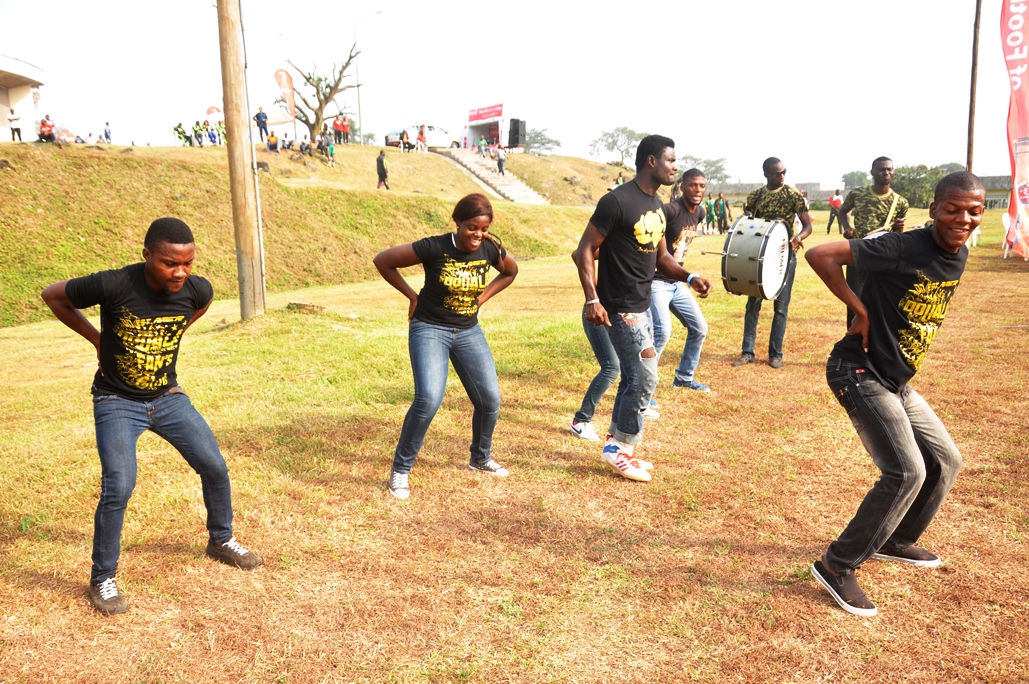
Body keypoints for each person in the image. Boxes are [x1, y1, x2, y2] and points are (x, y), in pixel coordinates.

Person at [39, 217, 263, 615]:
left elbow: (197, 308)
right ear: (147, 255)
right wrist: (98, 339)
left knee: (214, 465)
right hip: (116, 401)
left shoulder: (198, 290)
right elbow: (54, 295)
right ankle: (102, 578)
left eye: (187, 263)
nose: (180, 272)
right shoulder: (113, 284)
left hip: (167, 397)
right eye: (169, 263)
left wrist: (168, 338)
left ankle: (221, 540)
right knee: (119, 485)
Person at [804, 172, 984, 617]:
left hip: (895, 379)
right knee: (906, 472)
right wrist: (859, 309)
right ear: (934, 209)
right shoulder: (903, 246)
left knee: (946, 460)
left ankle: (896, 539)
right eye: (952, 209)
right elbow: (821, 254)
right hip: (858, 371)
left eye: (974, 211)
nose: (963, 219)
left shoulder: (958, 254)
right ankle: (837, 565)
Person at [574, 135, 711, 482]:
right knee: (645, 376)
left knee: (634, 377)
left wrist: (689, 276)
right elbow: (584, 249)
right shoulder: (616, 201)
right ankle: (622, 450)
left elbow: (663, 257)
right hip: (619, 307)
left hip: (642, 303)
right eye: (671, 160)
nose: (675, 166)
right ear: (652, 161)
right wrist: (592, 299)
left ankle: (616, 444)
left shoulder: (658, 206)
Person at [373, 194, 519, 499]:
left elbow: (510, 272)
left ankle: (480, 458)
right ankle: (401, 470)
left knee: (489, 398)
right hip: (429, 329)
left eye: (484, 228)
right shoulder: (435, 246)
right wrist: (412, 296)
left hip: (468, 331)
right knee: (428, 399)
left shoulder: (490, 248)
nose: (477, 234)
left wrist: (482, 299)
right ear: (458, 222)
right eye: (471, 227)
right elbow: (383, 261)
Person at [732, 157, 813, 369]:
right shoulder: (756, 197)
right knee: (753, 303)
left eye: (784, 172)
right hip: (759, 255)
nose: (782, 176)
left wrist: (798, 237)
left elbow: (807, 226)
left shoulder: (793, 195)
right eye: (777, 173)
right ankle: (747, 352)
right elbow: (748, 222)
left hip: (785, 254)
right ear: (766, 175)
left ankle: (775, 354)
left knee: (781, 306)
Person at [650, 168, 712, 394]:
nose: (697, 190)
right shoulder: (669, 210)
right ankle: (643, 389)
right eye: (692, 185)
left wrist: (689, 277)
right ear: (682, 187)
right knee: (661, 332)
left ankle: (684, 378)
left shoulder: (700, 212)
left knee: (699, 328)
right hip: (655, 282)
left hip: (677, 282)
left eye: (702, 186)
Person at [838, 157, 911, 325]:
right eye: (881, 169)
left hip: (884, 256)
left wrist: (899, 229)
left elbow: (897, 235)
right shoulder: (857, 194)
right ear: (872, 172)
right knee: (854, 302)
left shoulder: (900, 202)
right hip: (857, 254)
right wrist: (847, 228)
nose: (886, 172)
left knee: (881, 302)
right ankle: (854, 338)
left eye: (889, 169)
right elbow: (842, 211)